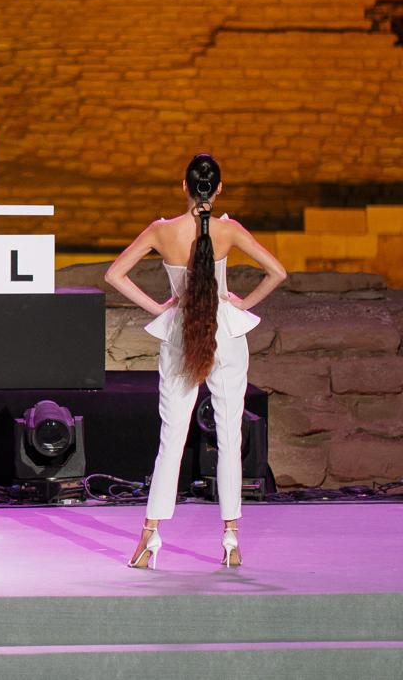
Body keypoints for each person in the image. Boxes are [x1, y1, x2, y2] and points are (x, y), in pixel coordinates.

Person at [105, 154, 286, 570]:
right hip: (226, 331)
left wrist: (160, 307)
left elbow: (115, 274)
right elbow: (277, 272)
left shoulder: (161, 231)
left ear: (184, 186)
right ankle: (231, 538)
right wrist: (241, 303)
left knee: (172, 436)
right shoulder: (228, 229)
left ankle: (149, 535)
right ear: (218, 189)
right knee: (230, 435)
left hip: (181, 329)